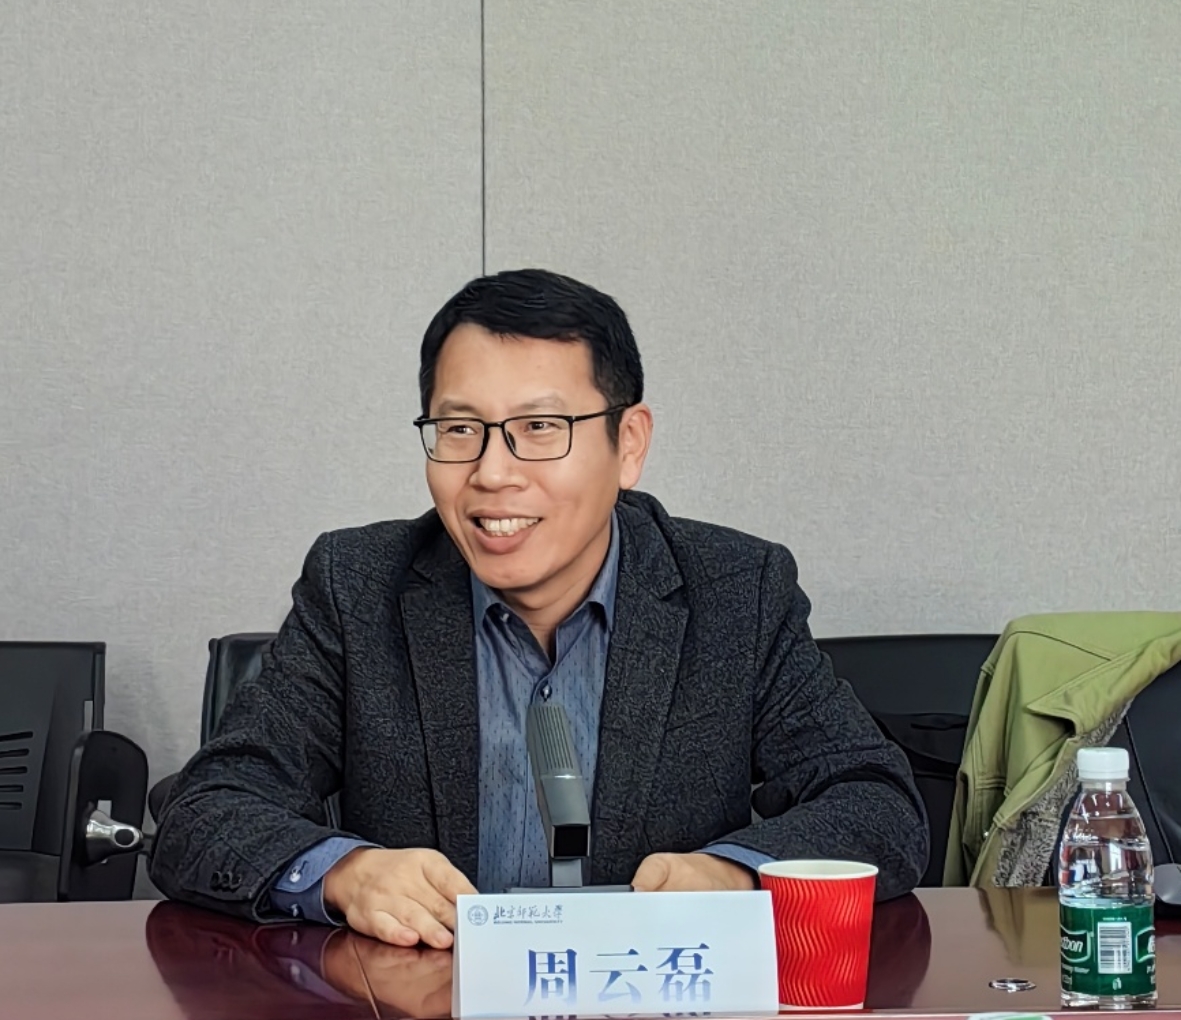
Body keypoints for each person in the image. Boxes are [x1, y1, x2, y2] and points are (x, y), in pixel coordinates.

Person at [150, 268, 928, 948]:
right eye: (460, 429)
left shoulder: (733, 591)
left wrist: (736, 876)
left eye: (539, 428)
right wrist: (345, 874)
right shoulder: (358, 585)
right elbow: (204, 810)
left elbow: (876, 804)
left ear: (628, 443)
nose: (492, 473)